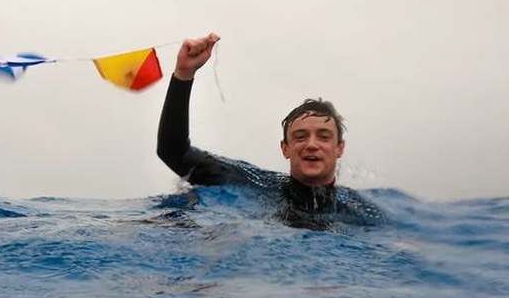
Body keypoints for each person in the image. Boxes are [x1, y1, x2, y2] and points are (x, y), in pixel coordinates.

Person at [157, 34, 379, 224]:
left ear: (339, 148)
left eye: (323, 136)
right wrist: (183, 75)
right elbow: (174, 151)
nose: (312, 144)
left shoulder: (361, 215)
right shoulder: (254, 183)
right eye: (300, 137)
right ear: (285, 148)